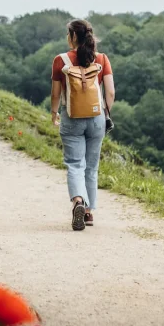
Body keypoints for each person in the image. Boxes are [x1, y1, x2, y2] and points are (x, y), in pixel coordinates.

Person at [50, 19, 115, 231]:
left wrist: (54, 113)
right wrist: (106, 113)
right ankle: (88, 213)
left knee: (75, 163)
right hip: (96, 118)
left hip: (71, 118)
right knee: (91, 166)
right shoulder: (102, 59)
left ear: (72, 37)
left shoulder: (60, 61)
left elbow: (56, 93)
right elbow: (111, 92)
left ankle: (78, 201)